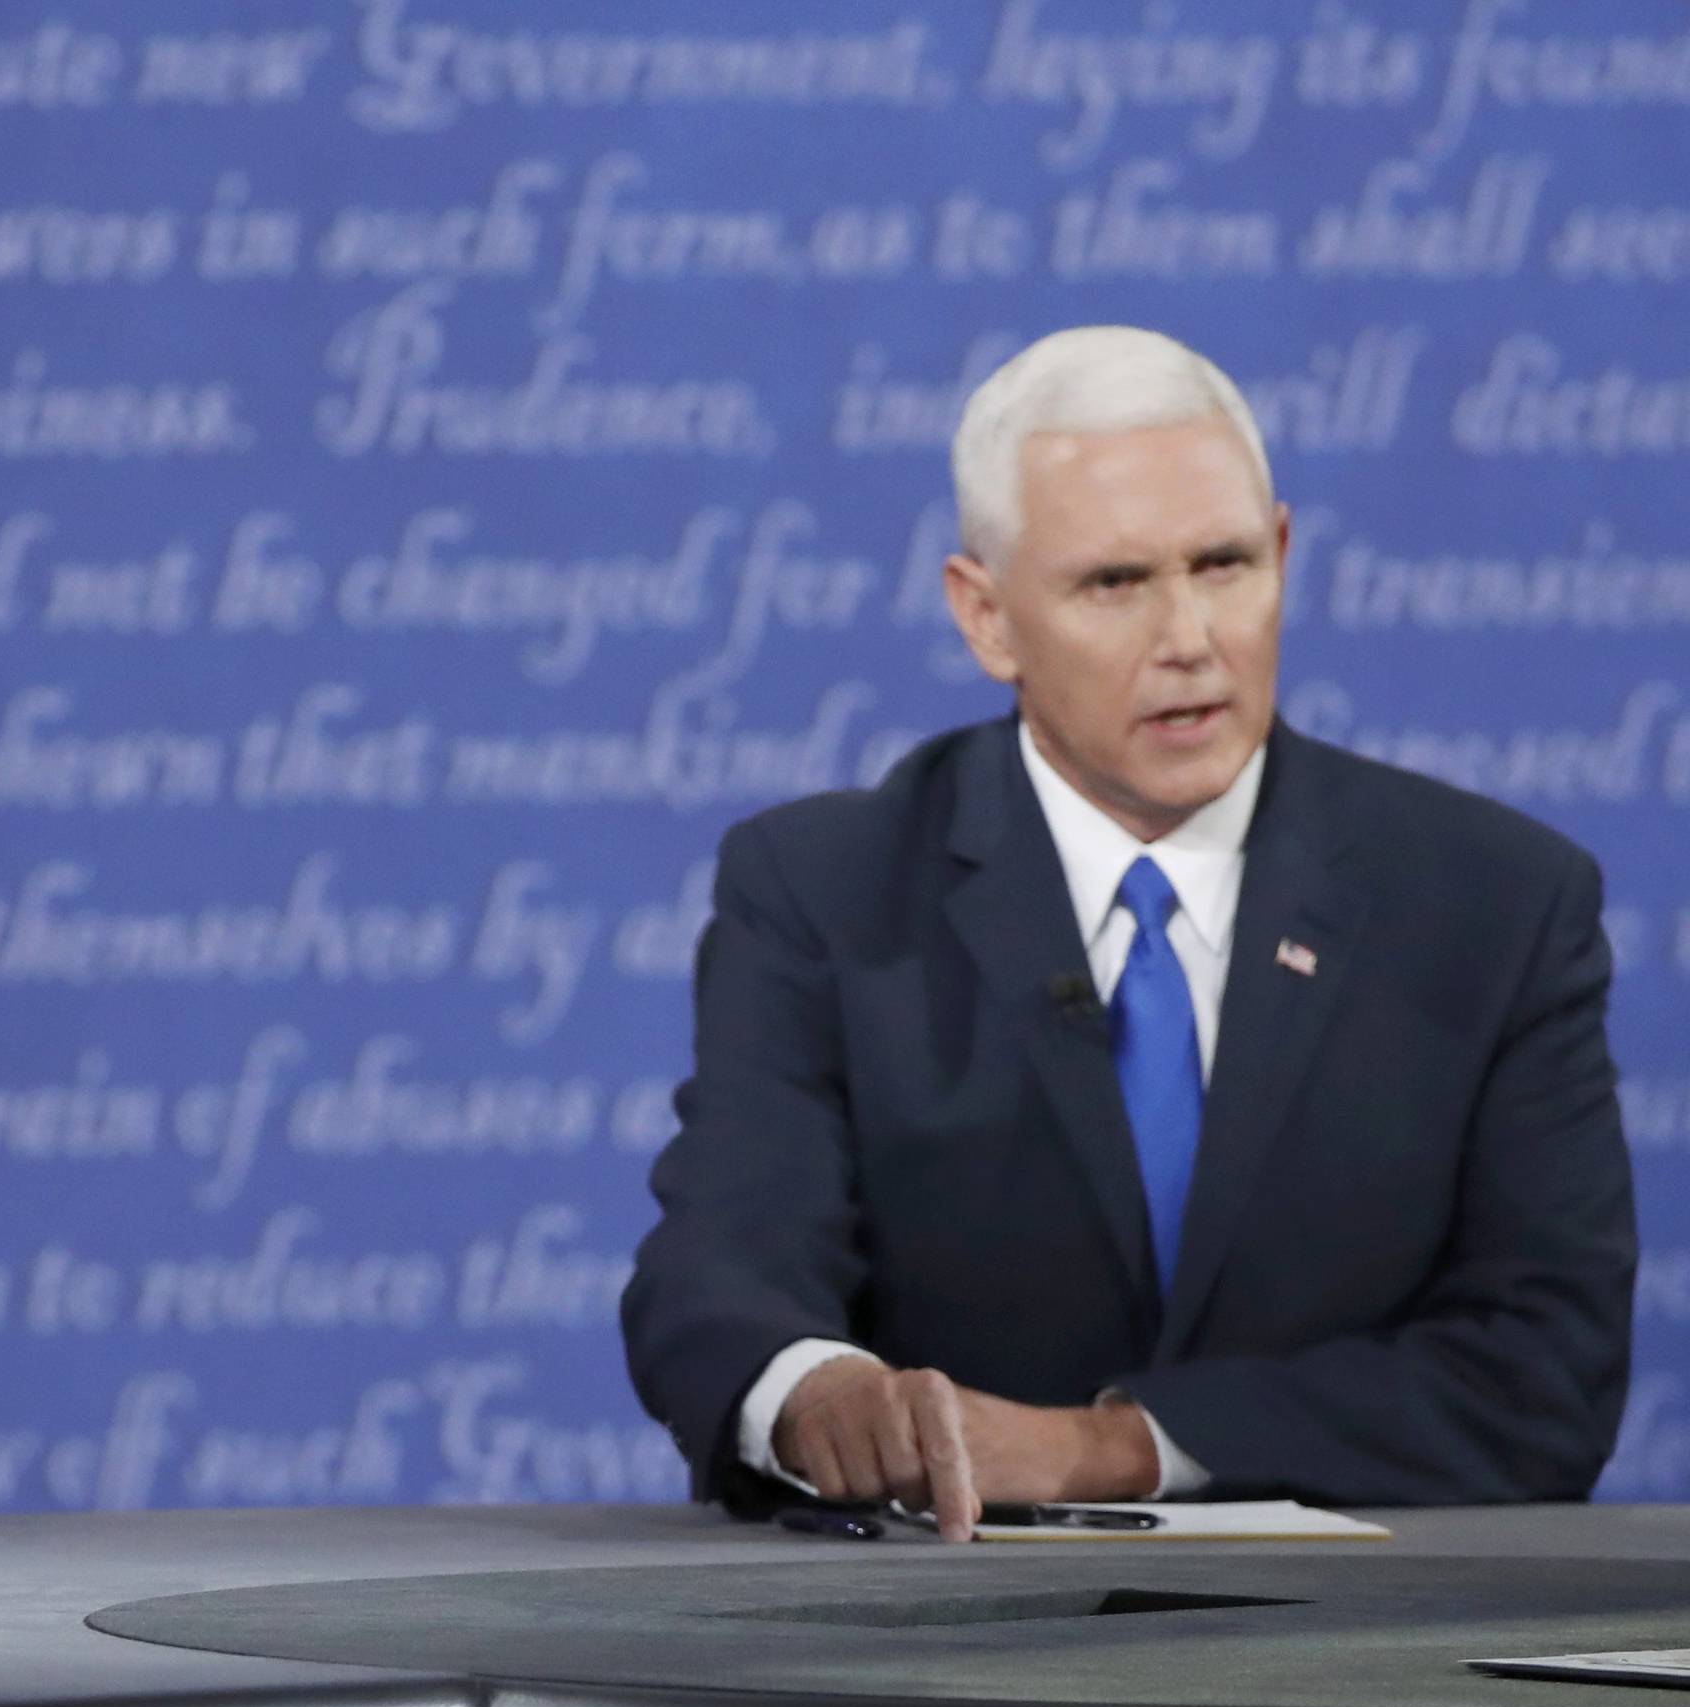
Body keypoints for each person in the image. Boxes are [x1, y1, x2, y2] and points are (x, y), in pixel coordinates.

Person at [622, 324, 1636, 1540]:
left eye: (1223, 565)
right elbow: (719, 1269)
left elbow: (1544, 1372)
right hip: (938, 1661)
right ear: (986, 617)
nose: (1189, 638)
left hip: (1358, 1661)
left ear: (1283, 555)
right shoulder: (826, 888)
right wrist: (817, 1395)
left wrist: (1109, 1447)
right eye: (1116, 582)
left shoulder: (1496, 901)